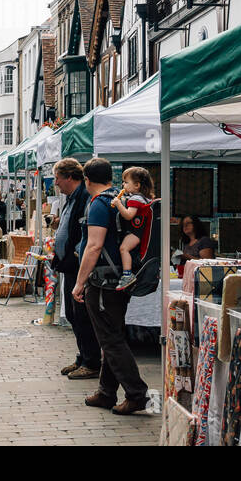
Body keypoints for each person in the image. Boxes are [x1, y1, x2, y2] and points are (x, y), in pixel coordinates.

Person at [73, 157, 149, 415]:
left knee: (111, 339)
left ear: (87, 180)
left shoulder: (98, 204)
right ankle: (106, 393)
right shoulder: (118, 199)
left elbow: (94, 246)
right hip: (119, 278)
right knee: (111, 336)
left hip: (104, 281)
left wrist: (79, 282)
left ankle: (136, 393)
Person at [52, 158, 99, 380]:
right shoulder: (71, 198)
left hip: (78, 265)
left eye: (58, 178)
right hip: (69, 265)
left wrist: (71, 254)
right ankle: (84, 357)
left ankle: (91, 362)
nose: (56, 183)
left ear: (70, 177)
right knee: (72, 313)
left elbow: (85, 234)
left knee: (80, 314)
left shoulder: (84, 197)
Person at [111, 167, 155, 291]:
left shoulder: (135, 199)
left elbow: (128, 215)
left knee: (123, 248)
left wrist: (118, 204)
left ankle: (127, 275)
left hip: (136, 233)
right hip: (140, 232)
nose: (123, 185)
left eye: (126, 182)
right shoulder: (144, 198)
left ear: (137, 185)